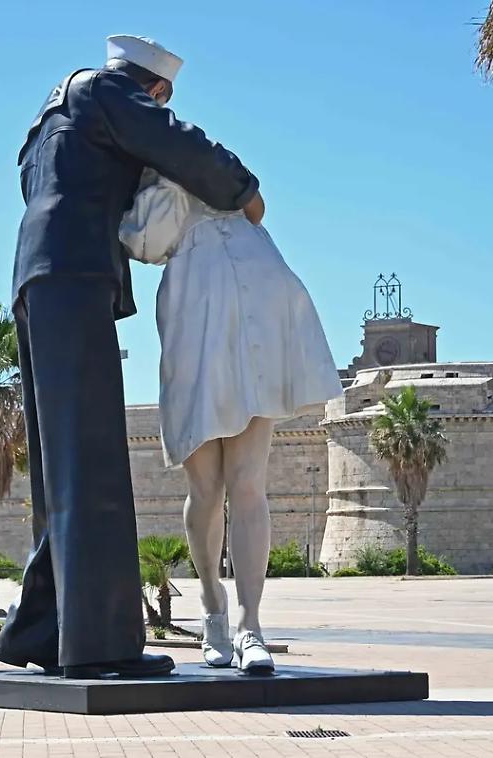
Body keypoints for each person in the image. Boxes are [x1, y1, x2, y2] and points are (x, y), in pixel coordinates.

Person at [0, 35, 265, 679]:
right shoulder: (104, 90)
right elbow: (179, 143)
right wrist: (243, 189)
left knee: (59, 470)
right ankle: (101, 645)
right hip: (77, 276)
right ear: (155, 87)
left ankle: (43, 631)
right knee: (92, 464)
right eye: (161, 97)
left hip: (37, 278)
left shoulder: (48, 119)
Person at [120, 171, 343, 672]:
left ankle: (250, 625)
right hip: (196, 319)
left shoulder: (218, 164)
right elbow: (145, 243)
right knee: (205, 489)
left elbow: (257, 206)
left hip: (256, 310)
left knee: (248, 484)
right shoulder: (152, 180)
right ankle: (211, 604)